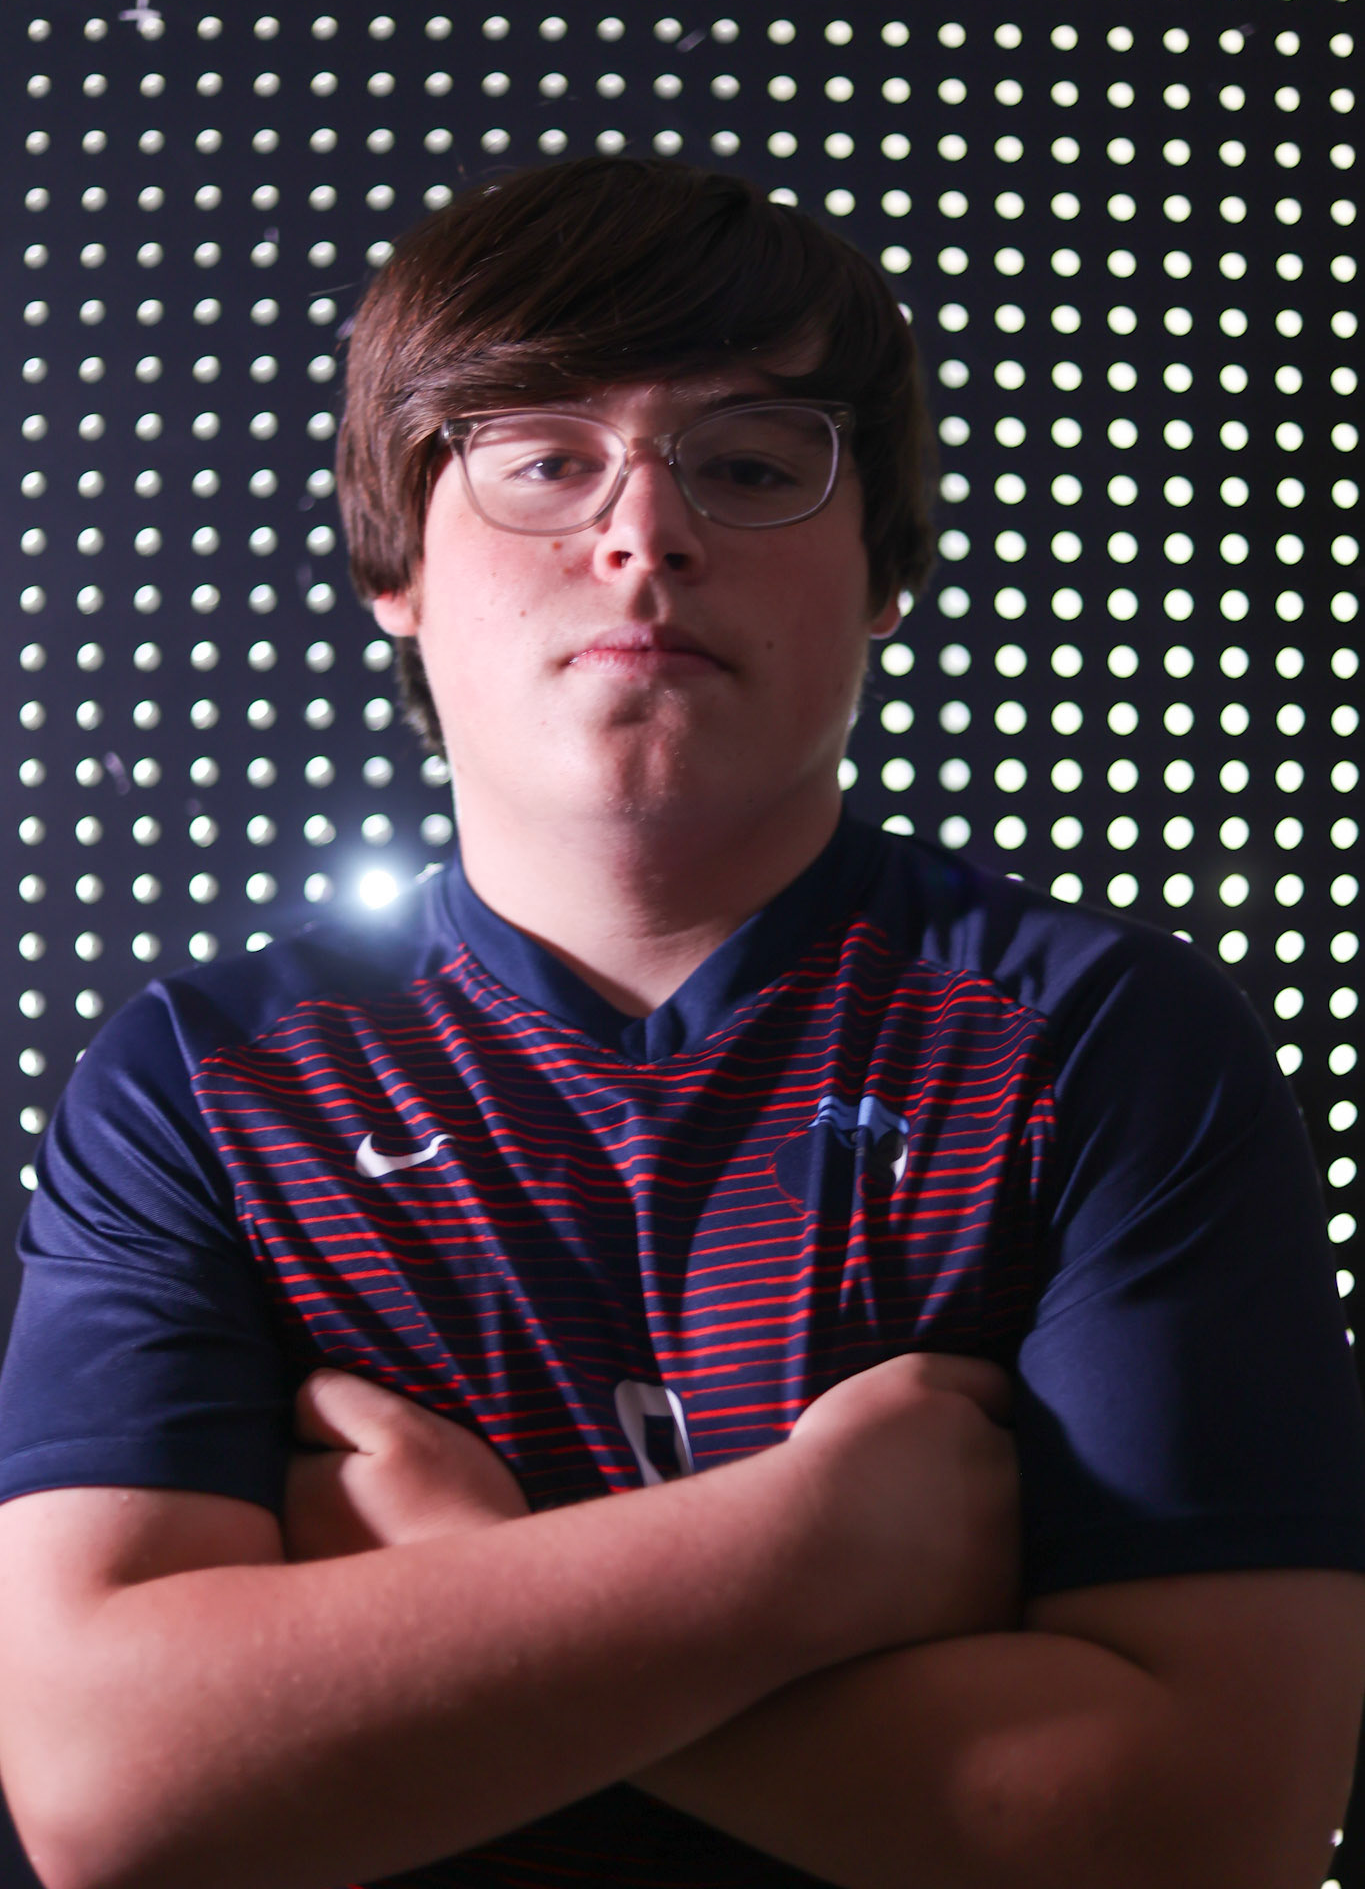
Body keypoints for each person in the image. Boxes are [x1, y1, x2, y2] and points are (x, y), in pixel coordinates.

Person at [0, 155, 1362, 1889]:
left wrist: (461, 1592)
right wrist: (808, 1557)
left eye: (749, 462)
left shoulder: (1091, 1040)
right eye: (543, 460)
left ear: (883, 573)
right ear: (391, 566)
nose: (645, 533)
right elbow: (120, 1792)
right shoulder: (206, 1086)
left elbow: (1208, 1821)